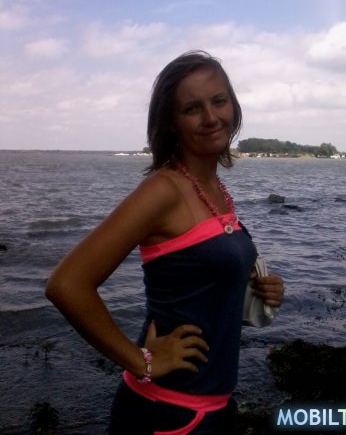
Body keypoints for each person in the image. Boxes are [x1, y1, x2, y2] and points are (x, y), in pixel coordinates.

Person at [45, 50, 284, 434]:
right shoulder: (162, 190)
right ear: (171, 122)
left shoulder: (213, 188)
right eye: (192, 108)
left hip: (214, 407)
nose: (211, 117)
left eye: (219, 101)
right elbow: (67, 284)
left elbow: (199, 278)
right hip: (166, 413)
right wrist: (142, 361)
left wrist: (259, 287)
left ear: (233, 106)